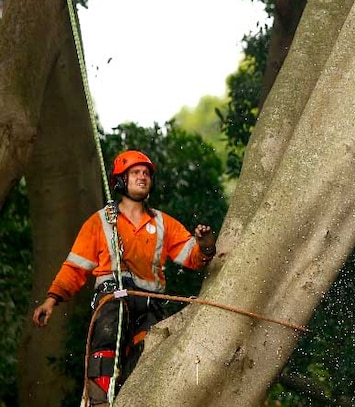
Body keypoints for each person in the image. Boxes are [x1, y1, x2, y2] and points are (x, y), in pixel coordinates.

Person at [32, 150, 217, 406]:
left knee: (150, 351)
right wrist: (51, 299)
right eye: (135, 173)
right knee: (110, 330)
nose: (142, 177)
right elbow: (75, 266)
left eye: (146, 174)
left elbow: (192, 257)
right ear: (121, 180)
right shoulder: (101, 222)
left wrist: (205, 246)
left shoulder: (163, 223)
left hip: (150, 302)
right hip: (113, 296)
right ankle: (99, 400)